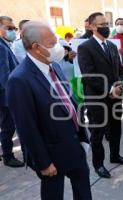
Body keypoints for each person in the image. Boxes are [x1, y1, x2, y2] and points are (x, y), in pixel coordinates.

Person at [7, 21, 92, 200]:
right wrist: (43, 162)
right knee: (53, 194)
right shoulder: (19, 79)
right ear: (36, 47)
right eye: (52, 43)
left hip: (74, 145)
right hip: (51, 154)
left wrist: (83, 136)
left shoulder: (55, 66)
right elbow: (26, 127)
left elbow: (68, 101)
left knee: (83, 189)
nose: (58, 47)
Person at [78, 12, 123, 179]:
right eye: (102, 23)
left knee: (116, 129)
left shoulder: (111, 46)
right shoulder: (85, 47)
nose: (106, 26)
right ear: (92, 26)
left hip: (115, 97)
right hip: (97, 99)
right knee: (98, 133)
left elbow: (119, 70)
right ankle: (98, 164)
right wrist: (109, 89)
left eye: (107, 23)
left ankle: (115, 155)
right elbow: (89, 75)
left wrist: (119, 85)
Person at [0, 16, 24, 167]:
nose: (12, 31)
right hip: (5, 95)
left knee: (6, 125)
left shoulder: (5, 44)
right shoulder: (1, 47)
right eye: (9, 28)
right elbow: (4, 75)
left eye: (14, 28)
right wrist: (13, 94)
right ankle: (8, 156)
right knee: (8, 126)